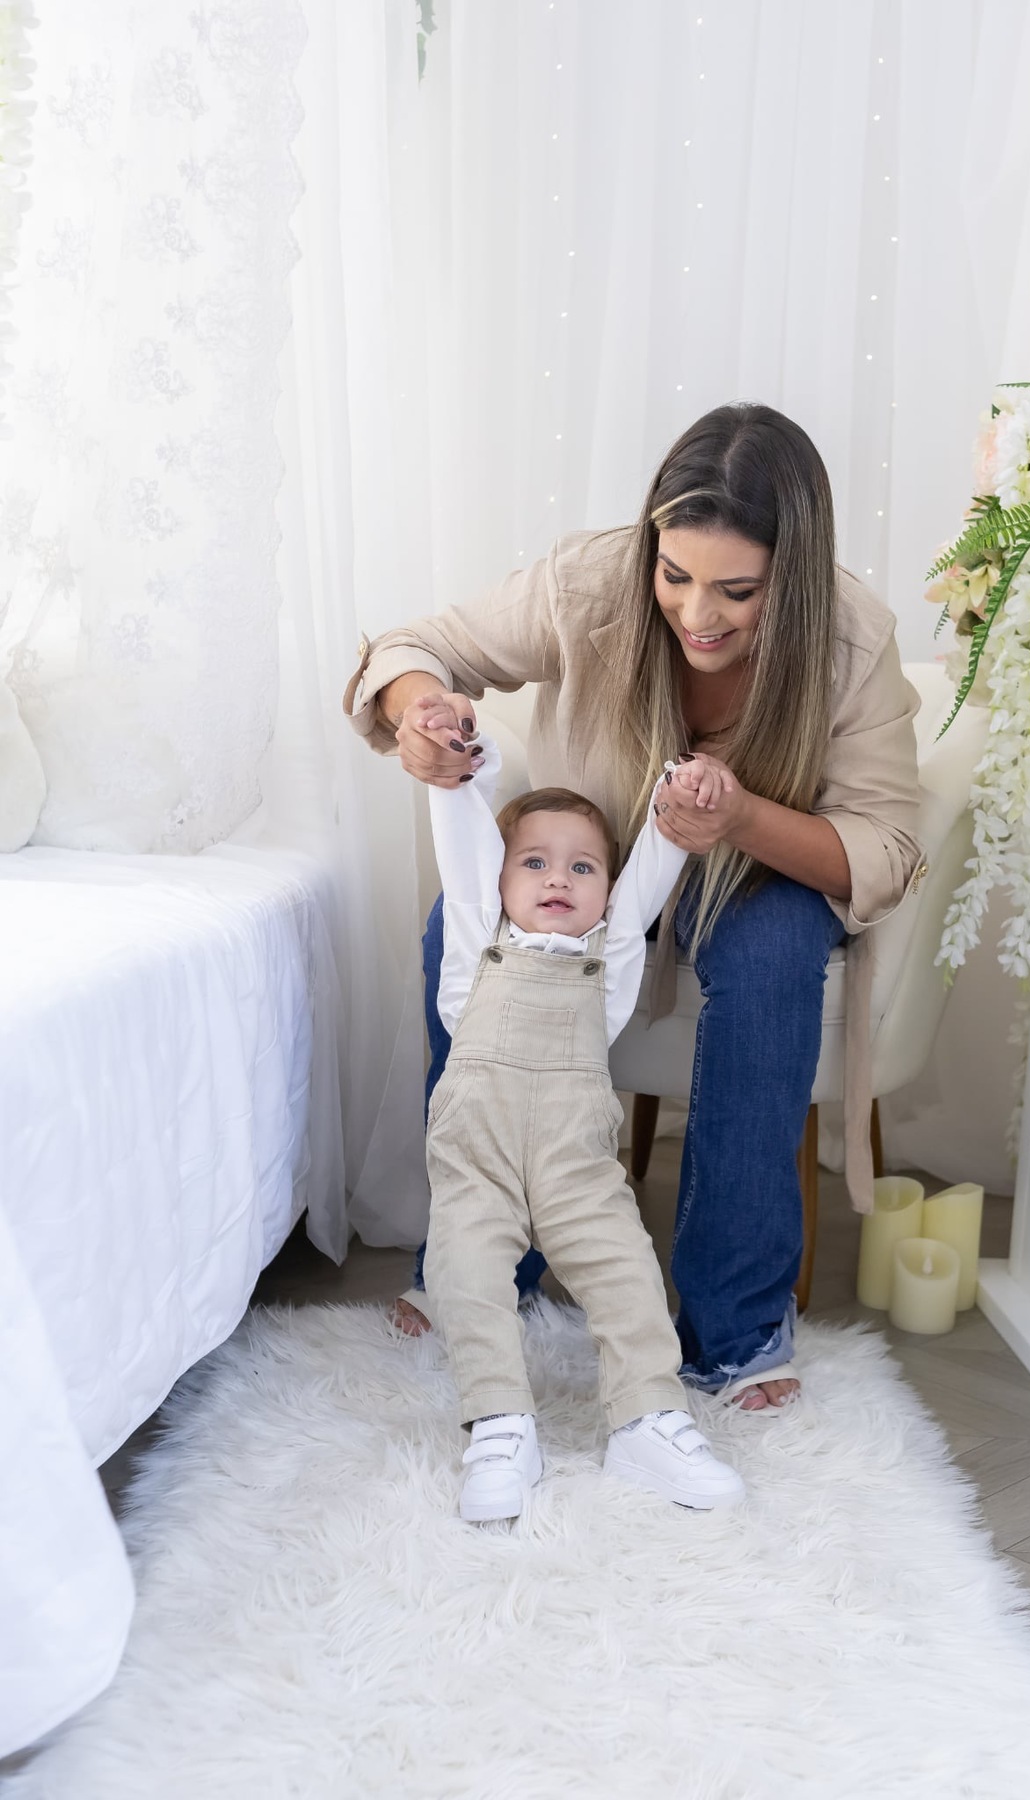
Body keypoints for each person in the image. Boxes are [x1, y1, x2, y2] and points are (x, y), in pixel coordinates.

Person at [344, 403, 923, 1412]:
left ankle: (736, 1328)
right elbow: (414, 647)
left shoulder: (852, 635)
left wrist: (740, 814)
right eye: (676, 575)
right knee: (470, 929)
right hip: (604, 872)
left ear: (794, 575)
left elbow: (886, 845)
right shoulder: (588, 584)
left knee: (778, 950)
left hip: (750, 875)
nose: (698, 614)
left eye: (737, 590)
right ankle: (482, 1268)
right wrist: (418, 715)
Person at [420, 723, 744, 1521]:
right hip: (479, 1153)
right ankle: (500, 1424)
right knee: (463, 1271)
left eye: (582, 866)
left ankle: (647, 1417)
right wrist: (461, 766)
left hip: (575, 1158)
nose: (557, 878)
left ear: (607, 887)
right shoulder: (475, 940)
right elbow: (461, 848)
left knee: (625, 1270)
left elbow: (654, 868)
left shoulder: (614, 952)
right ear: (500, 880)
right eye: (533, 862)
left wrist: (679, 798)